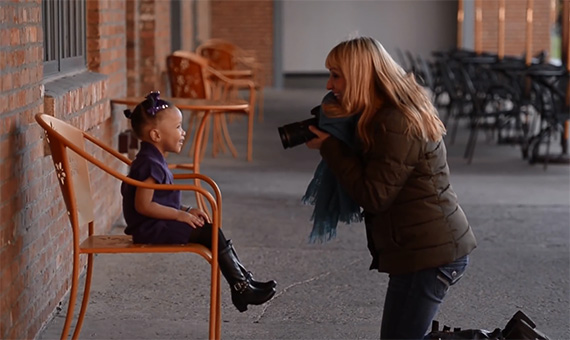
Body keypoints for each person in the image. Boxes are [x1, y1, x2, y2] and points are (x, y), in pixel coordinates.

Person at [304, 37, 477, 339]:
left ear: (359, 76)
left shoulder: (395, 121)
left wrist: (331, 148)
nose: (330, 85)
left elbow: (374, 195)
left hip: (432, 253)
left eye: (336, 75)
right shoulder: (379, 114)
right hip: (412, 250)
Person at [121, 91, 276, 312]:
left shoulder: (154, 159)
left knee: (210, 231)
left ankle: (243, 282)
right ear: (156, 134)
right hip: (149, 229)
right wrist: (179, 215)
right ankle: (241, 286)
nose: (183, 132)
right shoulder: (148, 164)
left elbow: (160, 198)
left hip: (157, 223)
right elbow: (143, 205)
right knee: (209, 232)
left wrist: (186, 209)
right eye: (177, 127)